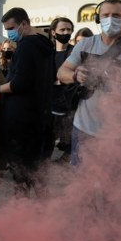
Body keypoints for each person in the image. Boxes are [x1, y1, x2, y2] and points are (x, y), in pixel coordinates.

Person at [57, 0, 121, 165]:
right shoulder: (85, 44)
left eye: (116, 15)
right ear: (98, 18)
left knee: (112, 180)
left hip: (119, 132)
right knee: (81, 178)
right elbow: (62, 72)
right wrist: (75, 76)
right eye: (106, 15)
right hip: (84, 129)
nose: (110, 19)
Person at [0, 7, 55, 196]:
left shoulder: (25, 46)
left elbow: (20, 83)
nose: (9, 33)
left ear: (24, 24)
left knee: (20, 169)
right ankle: (40, 205)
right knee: (35, 168)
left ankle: (22, 206)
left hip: (21, 118)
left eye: (11, 28)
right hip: (39, 114)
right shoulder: (45, 45)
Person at [49, 17, 76, 161]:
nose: (66, 33)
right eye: (62, 30)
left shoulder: (75, 53)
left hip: (69, 104)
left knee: (68, 143)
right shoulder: (47, 53)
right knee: (48, 140)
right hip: (49, 103)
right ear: (54, 32)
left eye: (69, 30)